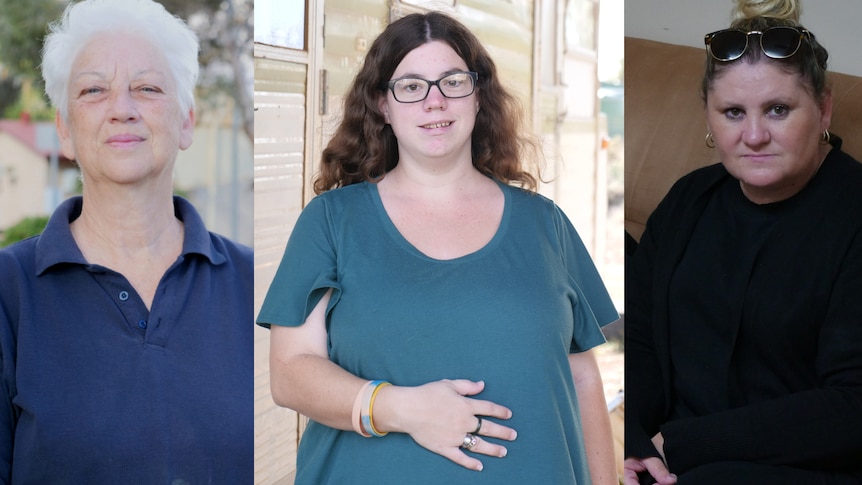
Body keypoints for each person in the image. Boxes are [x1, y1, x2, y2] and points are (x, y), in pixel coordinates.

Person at [257, 11, 619, 485]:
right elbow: (291, 373)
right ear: (383, 104)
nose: (434, 101)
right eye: (411, 86)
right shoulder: (332, 220)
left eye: (452, 82)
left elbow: (582, 376)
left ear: (477, 95)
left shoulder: (543, 222)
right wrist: (404, 408)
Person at [0, 0, 253, 482]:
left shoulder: (252, 281)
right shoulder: (8, 291)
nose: (122, 109)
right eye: (94, 90)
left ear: (185, 122)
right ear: (65, 130)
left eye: (148, 88)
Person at [624, 0, 862, 483]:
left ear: (823, 109)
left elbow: (853, 405)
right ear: (709, 118)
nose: (754, 135)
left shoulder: (853, 216)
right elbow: (642, 337)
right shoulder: (691, 197)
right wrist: (633, 441)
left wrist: (682, 445)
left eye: (778, 109)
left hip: (797, 465)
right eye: (733, 112)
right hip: (671, 454)